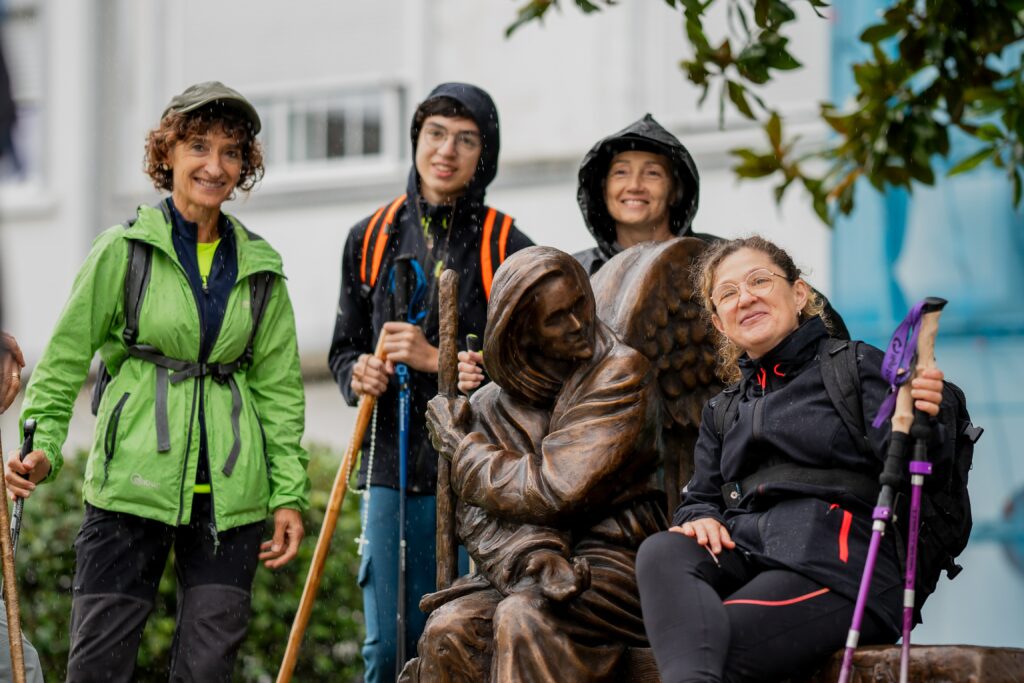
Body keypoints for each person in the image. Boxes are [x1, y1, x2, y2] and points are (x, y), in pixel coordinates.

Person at [6, 81, 309, 682]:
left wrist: (288, 493)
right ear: (166, 153)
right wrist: (39, 447)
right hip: (129, 487)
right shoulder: (123, 251)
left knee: (207, 669)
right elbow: (65, 360)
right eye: (199, 146)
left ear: (244, 166)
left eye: (231, 152)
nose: (215, 165)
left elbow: (279, 391)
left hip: (231, 499)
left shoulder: (261, 269)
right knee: (99, 665)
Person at [635, 236, 949, 683]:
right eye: (727, 294)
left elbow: (921, 460)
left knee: (710, 647)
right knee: (661, 550)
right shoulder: (722, 409)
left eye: (759, 280)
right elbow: (700, 498)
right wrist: (701, 516)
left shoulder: (856, 367)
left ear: (799, 293)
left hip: (838, 560)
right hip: (750, 554)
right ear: (720, 324)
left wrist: (923, 415)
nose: (745, 298)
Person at [328, 82, 532, 681]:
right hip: (390, 466)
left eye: (466, 140)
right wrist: (356, 372)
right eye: (435, 134)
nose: (447, 150)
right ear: (416, 140)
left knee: (470, 639)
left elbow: (537, 369)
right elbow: (343, 348)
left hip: (482, 471)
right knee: (390, 645)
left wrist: (447, 363)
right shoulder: (370, 236)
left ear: (484, 154)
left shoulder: (508, 246)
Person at [400, 246, 665, 682]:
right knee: (449, 631)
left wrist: (462, 449)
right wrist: (533, 558)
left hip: (618, 564)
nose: (580, 324)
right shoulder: (486, 406)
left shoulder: (621, 373)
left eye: (580, 304)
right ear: (522, 332)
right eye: (558, 317)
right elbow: (478, 516)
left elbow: (556, 490)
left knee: (524, 618)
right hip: (522, 570)